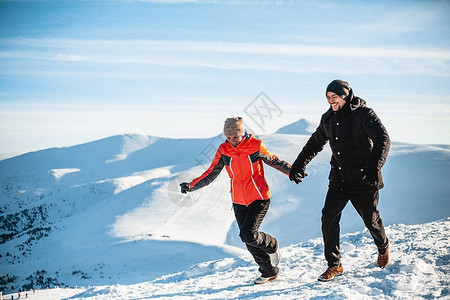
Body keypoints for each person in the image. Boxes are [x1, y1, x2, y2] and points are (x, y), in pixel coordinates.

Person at [289, 80, 390, 282]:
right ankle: (334, 265)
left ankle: (383, 246)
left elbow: (383, 139)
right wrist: (298, 165)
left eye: (334, 96)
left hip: (363, 177)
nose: (330, 100)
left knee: (370, 220)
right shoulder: (328, 119)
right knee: (328, 217)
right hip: (339, 178)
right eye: (327, 97)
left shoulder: (364, 114)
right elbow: (314, 143)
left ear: (345, 95)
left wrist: (373, 166)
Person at [180, 117, 291, 284]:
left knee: (249, 234)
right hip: (238, 200)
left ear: (242, 133)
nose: (232, 141)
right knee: (247, 239)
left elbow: (274, 161)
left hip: (259, 197)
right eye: (228, 137)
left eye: (235, 137)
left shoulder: (255, 145)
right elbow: (211, 173)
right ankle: (268, 271)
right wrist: (191, 185)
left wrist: (293, 171)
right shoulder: (224, 150)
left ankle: (272, 245)